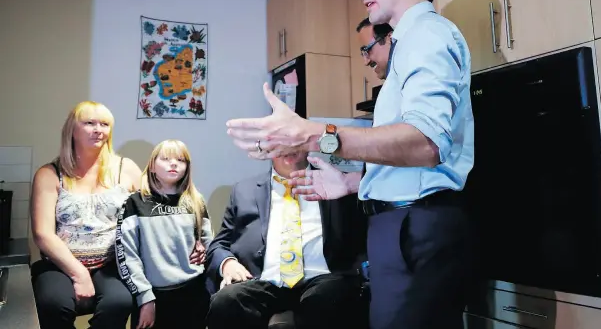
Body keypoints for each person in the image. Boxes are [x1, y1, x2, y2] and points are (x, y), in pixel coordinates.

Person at [224, 0, 475, 329]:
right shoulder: (408, 46)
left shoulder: (427, 35)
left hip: (415, 229)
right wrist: (353, 181)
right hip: (403, 227)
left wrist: (311, 135)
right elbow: (408, 156)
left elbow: (425, 144)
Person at [205, 151, 368, 329]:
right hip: (262, 280)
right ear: (267, 149)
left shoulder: (335, 183)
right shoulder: (244, 190)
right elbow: (219, 244)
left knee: (332, 298)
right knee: (226, 301)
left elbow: (361, 236)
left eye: (292, 139)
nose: (286, 147)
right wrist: (227, 262)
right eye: (278, 141)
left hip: (322, 278)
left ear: (306, 143)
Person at [30, 101, 143, 329]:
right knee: (54, 304)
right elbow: (42, 233)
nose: (98, 129)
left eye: (104, 124)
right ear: (72, 129)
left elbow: (149, 215)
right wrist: (79, 273)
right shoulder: (49, 174)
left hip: (111, 263)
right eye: (89, 123)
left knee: (119, 302)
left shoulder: (126, 168)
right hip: (59, 264)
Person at [115, 139, 213, 329]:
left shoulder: (196, 201)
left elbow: (209, 244)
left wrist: (204, 251)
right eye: (166, 159)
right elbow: (127, 256)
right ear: (152, 166)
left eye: (180, 160)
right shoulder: (135, 203)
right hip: (153, 297)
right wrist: (145, 298)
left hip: (194, 295)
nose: (174, 163)